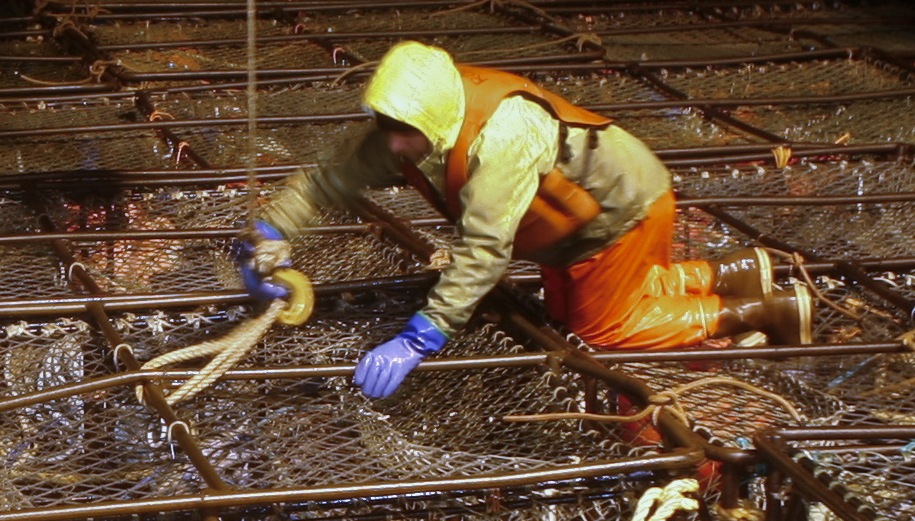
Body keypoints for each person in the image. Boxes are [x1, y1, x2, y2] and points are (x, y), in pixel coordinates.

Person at [245, 42, 808, 398]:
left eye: (403, 131)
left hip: (619, 210)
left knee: (603, 334)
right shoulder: (408, 131)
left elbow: (485, 251)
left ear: (435, 120)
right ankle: (734, 272)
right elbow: (327, 178)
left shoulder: (501, 139)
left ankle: (763, 310)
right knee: (570, 313)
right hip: (568, 236)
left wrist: (421, 336)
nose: (393, 143)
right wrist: (273, 234)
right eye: (386, 125)